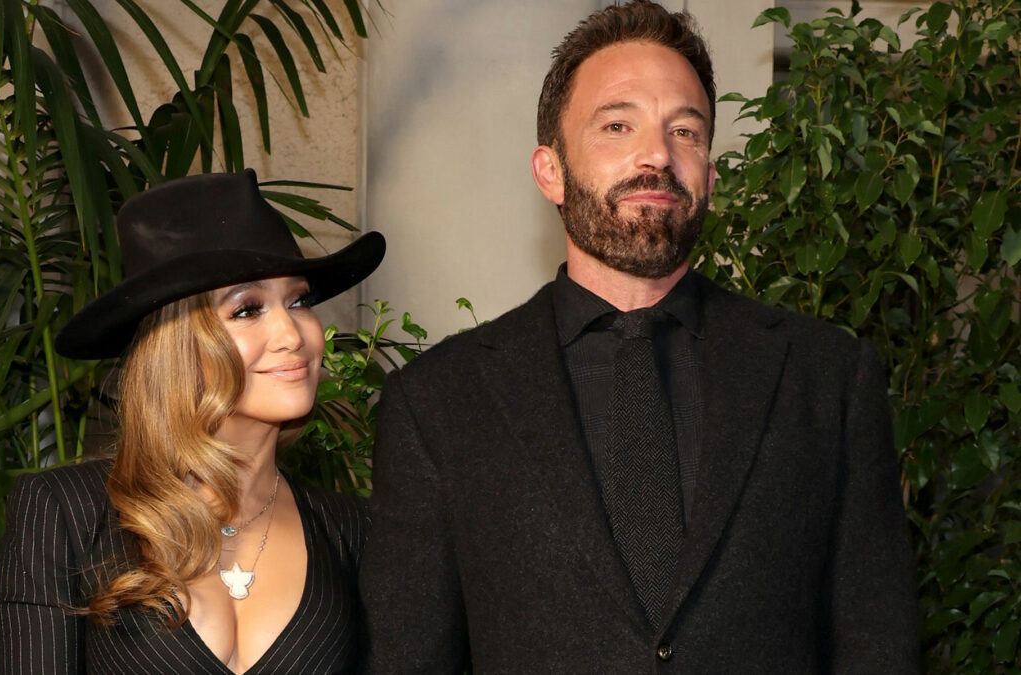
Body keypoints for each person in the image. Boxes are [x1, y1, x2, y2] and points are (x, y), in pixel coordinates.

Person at [359, 1, 918, 672]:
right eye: (617, 125)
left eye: (685, 131)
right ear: (550, 170)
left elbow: (877, 646)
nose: (657, 154)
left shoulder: (829, 379)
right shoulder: (436, 405)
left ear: (710, 175)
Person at [0, 170, 385, 674]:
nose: (292, 334)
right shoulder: (64, 513)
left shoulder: (355, 530)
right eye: (247, 310)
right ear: (175, 347)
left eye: (299, 300)